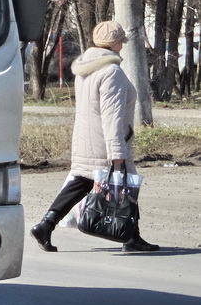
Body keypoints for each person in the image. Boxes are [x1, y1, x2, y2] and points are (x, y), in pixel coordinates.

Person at [30, 21, 160, 253]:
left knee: (80, 183)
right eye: (121, 41)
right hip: (106, 142)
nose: (122, 46)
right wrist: (117, 153)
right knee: (126, 185)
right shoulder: (112, 72)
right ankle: (131, 238)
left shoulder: (87, 69)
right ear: (116, 44)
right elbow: (112, 117)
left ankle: (45, 225)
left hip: (86, 140)